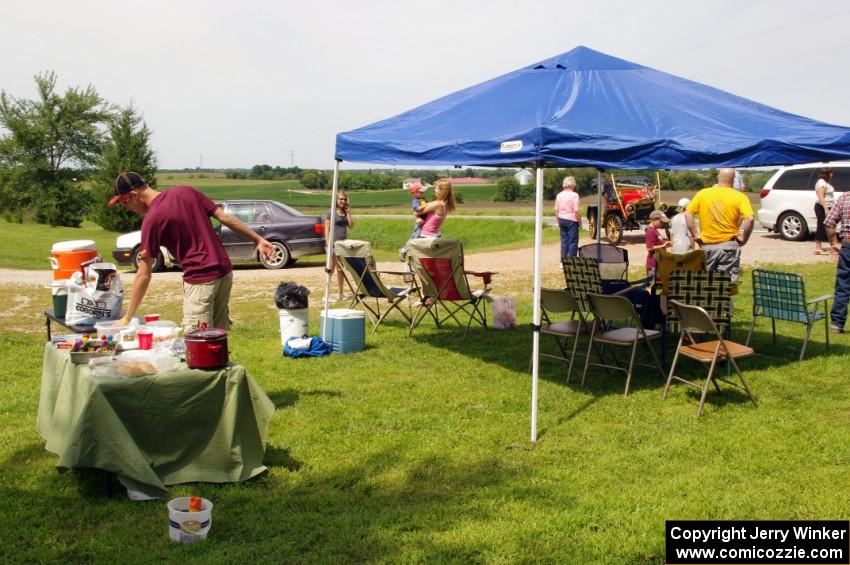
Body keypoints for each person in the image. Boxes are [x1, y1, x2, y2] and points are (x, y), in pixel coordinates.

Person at [110, 172, 274, 332]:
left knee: (197, 342)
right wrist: (258, 239)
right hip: (224, 272)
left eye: (123, 202)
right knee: (218, 336)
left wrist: (127, 317)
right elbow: (225, 218)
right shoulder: (186, 191)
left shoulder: (152, 219)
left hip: (200, 278)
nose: (126, 208)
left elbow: (144, 273)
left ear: (133, 195)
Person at [684, 167, 754, 285]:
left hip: (707, 246)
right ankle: (725, 303)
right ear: (733, 179)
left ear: (718, 178)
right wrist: (744, 239)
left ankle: (706, 303)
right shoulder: (740, 197)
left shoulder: (703, 193)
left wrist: (695, 235)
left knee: (706, 285)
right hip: (728, 246)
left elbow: (687, 213)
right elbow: (750, 219)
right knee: (725, 286)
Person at [825, 190, 850, 333]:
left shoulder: (845, 197)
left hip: (847, 245)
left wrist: (834, 243)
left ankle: (837, 324)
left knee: (843, 285)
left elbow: (829, 223)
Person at [325, 190, 354, 301]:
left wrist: (349, 212)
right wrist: (328, 244)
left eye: (344, 199)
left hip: (342, 245)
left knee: (341, 270)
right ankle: (326, 295)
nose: (343, 201)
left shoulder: (344, 212)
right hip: (333, 244)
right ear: (336, 200)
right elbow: (326, 228)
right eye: (340, 199)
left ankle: (340, 294)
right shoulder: (331, 212)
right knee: (330, 269)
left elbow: (351, 225)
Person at [554, 176, 580, 260]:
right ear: (572, 185)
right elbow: (576, 210)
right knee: (572, 241)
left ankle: (563, 261)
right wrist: (580, 222)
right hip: (571, 219)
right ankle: (572, 260)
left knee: (564, 241)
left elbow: (556, 210)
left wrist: (558, 222)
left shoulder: (559, 195)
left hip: (561, 219)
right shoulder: (574, 195)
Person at [645, 210, 672, 279]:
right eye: (661, 222)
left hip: (658, 262)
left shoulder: (655, 230)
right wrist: (663, 246)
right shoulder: (650, 231)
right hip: (653, 264)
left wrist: (666, 243)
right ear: (654, 220)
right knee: (652, 284)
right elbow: (649, 248)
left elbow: (657, 242)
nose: (663, 224)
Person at [814, 167, 835, 255]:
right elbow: (821, 197)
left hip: (828, 206)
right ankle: (818, 248)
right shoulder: (821, 183)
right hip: (822, 207)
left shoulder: (826, 183)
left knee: (830, 227)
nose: (832, 175)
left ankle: (833, 247)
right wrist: (826, 209)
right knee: (821, 227)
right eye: (831, 173)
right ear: (827, 174)